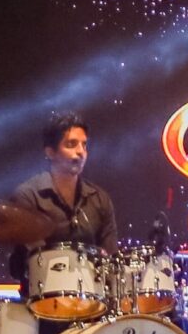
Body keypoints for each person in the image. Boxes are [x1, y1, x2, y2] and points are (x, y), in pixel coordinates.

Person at [13, 110, 119, 318]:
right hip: (41, 309)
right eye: (71, 144)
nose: (80, 152)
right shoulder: (28, 196)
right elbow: (36, 260)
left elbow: (111, 257)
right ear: (50, 152)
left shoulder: (100, 199)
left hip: (91, 309)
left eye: (84, 145)